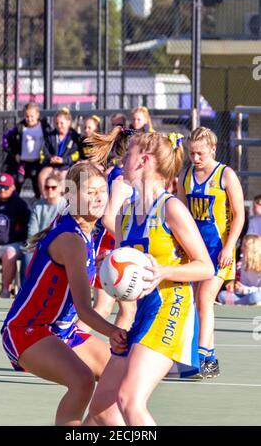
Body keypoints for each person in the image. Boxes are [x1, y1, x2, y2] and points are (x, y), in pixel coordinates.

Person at [85, 132, 214, 426]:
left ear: (144, 160)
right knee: (102, 409)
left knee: (130, 399)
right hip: (141, 314)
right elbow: (127, 277)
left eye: (127, 154)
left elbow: (205, 267)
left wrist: (164, 271)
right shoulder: (125, 215)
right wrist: (109, 269)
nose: (121, 160)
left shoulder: (171, 208)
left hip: (172, 309)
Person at [1, 162, 127, 426]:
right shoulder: (71, 240)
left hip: (62, 331)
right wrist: (114, 332)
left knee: (118, 376)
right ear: (71, 197)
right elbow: (84, 309)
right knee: (81, 381)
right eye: (90, 192)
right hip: (28, 329)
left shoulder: (87, 231)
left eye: (101, 191)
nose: (98, 197)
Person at [177, 127, 245, 379]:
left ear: (213, 150)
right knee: (196, 303)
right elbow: (180, 214)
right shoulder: (185, 176)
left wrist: (230, 247)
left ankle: (200, 358)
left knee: (205, 298)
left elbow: (239, 214)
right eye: (192, 153)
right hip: (194, 249)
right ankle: (209, 359)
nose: (195, 158)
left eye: (200, 153)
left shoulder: (225, 175)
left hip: (219, 250)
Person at [83, 126, 137, 330]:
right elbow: (108, 219)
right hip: (110, 243)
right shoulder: (120, 178)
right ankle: (71, 347)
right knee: (110, 307)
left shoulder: (116, 174)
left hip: (112, 242)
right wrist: (127, 240)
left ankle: (116, 356)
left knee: (115, 308)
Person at [2, 102, 52, 198]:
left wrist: (47, 156)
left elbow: (52, 141)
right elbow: (5, 137)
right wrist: (14, 154)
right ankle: (15, 204)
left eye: (32, 116)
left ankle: (38, 205)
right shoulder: (20, 127)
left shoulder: (44, 127)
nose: (29, 119)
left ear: (38, 115)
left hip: (38, 163)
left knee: (37, 183)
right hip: (23, 163)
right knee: (18, 181)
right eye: (27, 116)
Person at [22, 171, 68, 275]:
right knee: (27, 254)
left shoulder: (66, 206)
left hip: (59, 244)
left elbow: (65, 230)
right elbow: (32, 231)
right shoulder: (38, 206)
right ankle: (25, 288)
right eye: (47, 187)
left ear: (60, 189)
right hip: (39, 244)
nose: (50, 190)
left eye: (53, 187)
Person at [38, 108, 80, 196]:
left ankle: (64, 201)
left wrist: (63, 160)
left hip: (66, 166)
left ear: (68, 123)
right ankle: (46, 198)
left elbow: (76, 154)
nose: (59, 125)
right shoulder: (51, 136)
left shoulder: (75, 137)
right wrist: (50, 158)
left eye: (62, 123)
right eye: (56, 123)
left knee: (64, 176)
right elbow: (44, 151)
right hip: (52, 165)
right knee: (42, 175)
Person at [218, 234, 261, 305]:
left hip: (254, 294)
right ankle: (241, 303)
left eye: (244, 245)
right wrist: (238, 288)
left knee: (256, 296)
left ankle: (237, 304)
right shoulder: (242, 264)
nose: (241, 248)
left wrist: (245, 290)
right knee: (222, 295)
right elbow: (241, 288)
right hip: (244, 296)